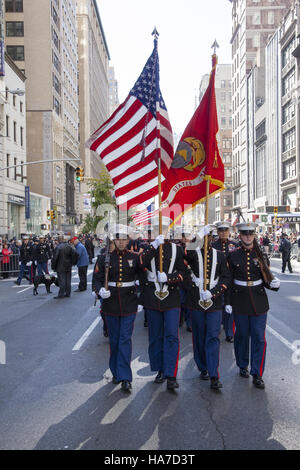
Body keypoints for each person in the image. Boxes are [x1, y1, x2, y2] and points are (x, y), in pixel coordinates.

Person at [227, 222, 280, 389]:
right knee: (242, 335)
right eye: (245, 234)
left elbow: (265, 277)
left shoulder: (261, 255)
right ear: (240, 236)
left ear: (254, 235)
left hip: (258, 301)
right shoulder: (232, 255)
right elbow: (228, 281)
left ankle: (257, 373)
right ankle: (243, 364)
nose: (248, 236)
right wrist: (228, 302)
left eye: (251, 234)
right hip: (240, 300)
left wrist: (273, 284)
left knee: (259, 338)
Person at [139, 216, 190, 391]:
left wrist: (169, 278)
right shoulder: (147, 248)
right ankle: (159, 369)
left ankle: (171, 374)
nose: (161, 232)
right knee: (155, 336)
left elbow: (185, 273)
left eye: (164, 229)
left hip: (172, 298)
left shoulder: (177, 249)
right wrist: (153, 246)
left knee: (171, 336)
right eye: (157, 229)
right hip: (152, 297)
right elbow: (140, 264)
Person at [92, 224, 142, 393]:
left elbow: (142, 277)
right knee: (114, 340)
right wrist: (100, 291)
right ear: (114, 240)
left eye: (124, 239)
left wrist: (140, 297)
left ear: (128, 240)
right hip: (111, 303)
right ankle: (115, 371)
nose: (121, 242)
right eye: (118, 239)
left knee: (125, 339)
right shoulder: (105, 258)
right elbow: (96, 279)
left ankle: (125, 377)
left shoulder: (135, 257)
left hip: (129, 302)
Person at [185, 225, 231, 390]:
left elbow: (226, 278)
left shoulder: (219, 255)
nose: (206, 240)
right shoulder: (193, 254)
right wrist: (197, 236)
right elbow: (186, 251)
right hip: (196, 301)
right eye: (203, 237)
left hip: (214, 302)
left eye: (208, 237)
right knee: (199, 335)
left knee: (213, 336)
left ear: (212, 238)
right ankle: (202, 366)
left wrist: (214, 292)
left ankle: (213, 374)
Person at [212, 221, 238, 343]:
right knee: (218, 306)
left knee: (230, 307)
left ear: (229, 232)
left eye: (226, 230)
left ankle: (229, 332)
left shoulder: (235, 245)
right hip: (217, 280)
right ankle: (216, 329)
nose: (224, 233)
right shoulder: (212, 245)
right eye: (221, 231)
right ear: (217, 232)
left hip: (231, 281)